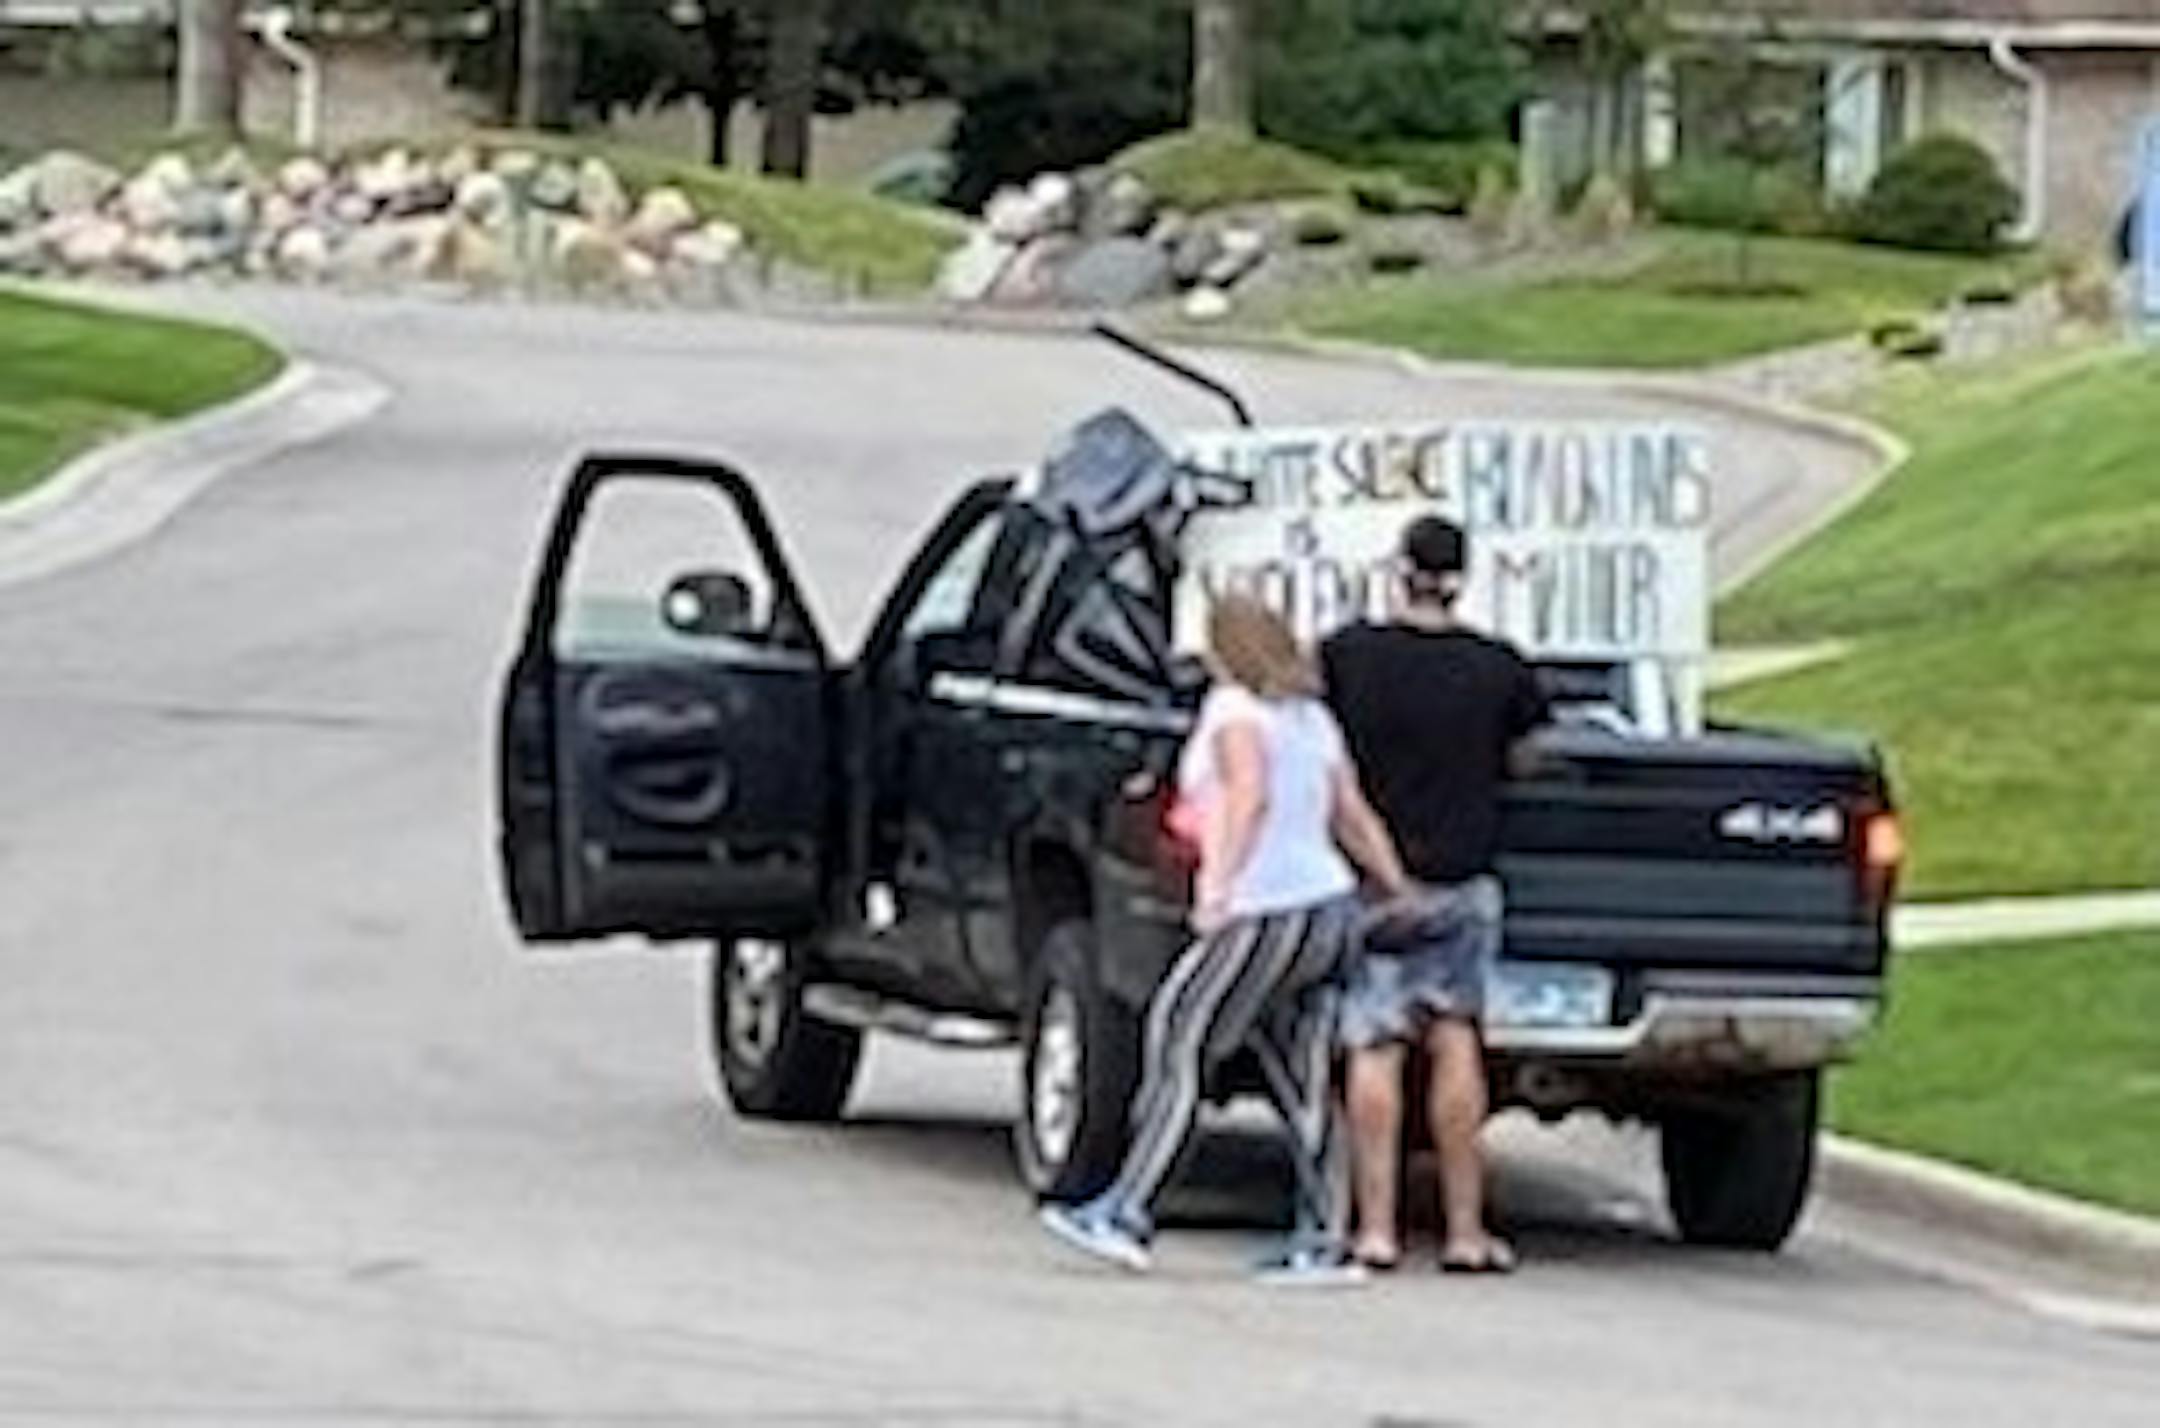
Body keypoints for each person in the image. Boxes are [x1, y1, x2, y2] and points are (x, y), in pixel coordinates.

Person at [1040, 594, 1412, 1286]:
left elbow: (1247, 796)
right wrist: (1392, 884)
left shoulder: (1233, 712)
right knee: (1299, 1063)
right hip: (1326, 903)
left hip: (1263, 903)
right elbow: (1351, 812)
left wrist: (1220, 887)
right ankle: (1325, 1234)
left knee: (1180, 1035)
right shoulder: (1311, 718)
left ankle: (1127, 1207)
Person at [1321, 515, 1550, 1275]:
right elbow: (1526, 755)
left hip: (1372, 883)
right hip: (1462, 880)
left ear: (1399, 571)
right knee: (1456, 1040)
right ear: (1463, 577)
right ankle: (1464, 1231)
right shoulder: (1499, 669)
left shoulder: (1350, 655)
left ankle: (1376, 1229)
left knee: (1374, 1047)